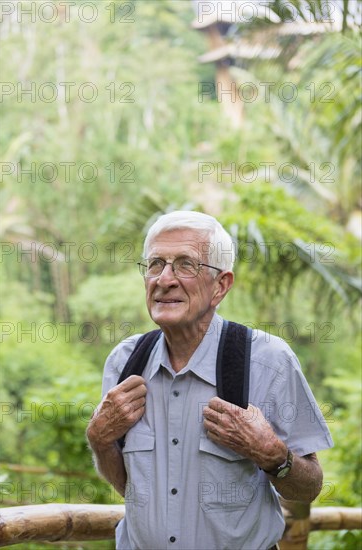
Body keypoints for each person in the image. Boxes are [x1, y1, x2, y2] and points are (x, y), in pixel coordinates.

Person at [86, 210, 333, 550]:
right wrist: (99, 440)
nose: (165, 279)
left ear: (221, 285)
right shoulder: (125, 363)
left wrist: (271, 453)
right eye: (156, 264)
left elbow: (310, 487)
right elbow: (132, 488)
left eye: (186, 265)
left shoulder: (268, 361)